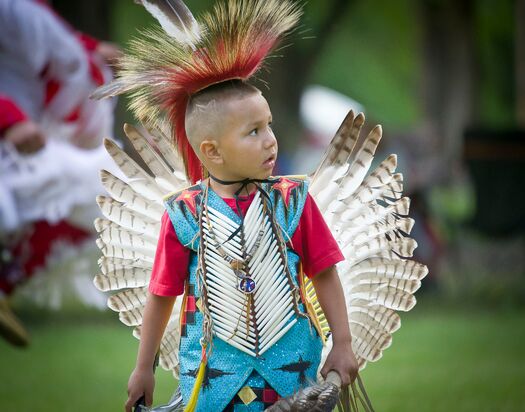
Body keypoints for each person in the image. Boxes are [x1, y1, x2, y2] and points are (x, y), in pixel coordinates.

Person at [124, 81, 359, 411]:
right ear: (212, 151)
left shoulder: (293, 201)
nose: (270, 141)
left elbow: (324, 272)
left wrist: (343, 343)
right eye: (253, 131)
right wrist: (142, 368)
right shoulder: (185, 213)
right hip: (213, 382)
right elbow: (162, 293)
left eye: (269, 125)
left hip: (293, 377)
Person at [0, 0, 120, 347]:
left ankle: (5, 283)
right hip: (18, 136)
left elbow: (51, 37)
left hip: (36, 134)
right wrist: (9, 121)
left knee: (100, 190)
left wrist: (95, 49)